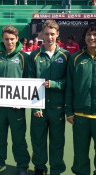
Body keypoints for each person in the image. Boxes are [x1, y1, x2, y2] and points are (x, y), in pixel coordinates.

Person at [29, 20, 70, 175]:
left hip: (57, 107)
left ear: (57, 34)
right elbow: (29, 83)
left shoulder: (66, 56)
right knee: (38, 140)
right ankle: (40, 167)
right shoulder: (34, 55)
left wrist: (53, 84)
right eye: (46, 34)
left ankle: (56, 169)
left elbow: (68, 83)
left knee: (57, 142)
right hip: (39, 107)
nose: (49, 37)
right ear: (42, 34)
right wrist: (35, 106)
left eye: (52, 34)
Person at [0, 25, 30, 175]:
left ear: (17, 39)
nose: (9, 42)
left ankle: (22, 165)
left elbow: (29, 82)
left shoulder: (24, 57)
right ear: (2, 39)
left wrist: (22, 101)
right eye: (6, 39)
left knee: (19, 138)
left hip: (17, 108)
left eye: (12, 39)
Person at [65, 25, 96, 175]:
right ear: (84, 38)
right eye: (89, 34)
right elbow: (69, 86)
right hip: (81, 116)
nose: (92, 38)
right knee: (80, 155)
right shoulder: (75, 58)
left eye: (95, 34)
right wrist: (69, 112)